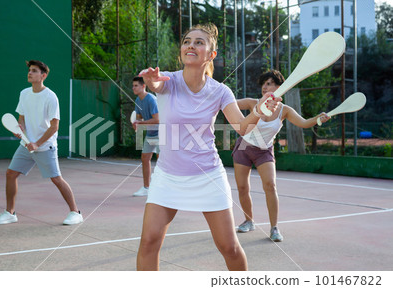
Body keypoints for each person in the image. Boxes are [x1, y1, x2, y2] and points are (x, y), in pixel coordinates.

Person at [136, 23, 282, 271]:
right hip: (167, 177)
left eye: (199, 42)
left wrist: (258, 111)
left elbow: (242, 128)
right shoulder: (168, 79)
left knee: (230, 247)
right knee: (148, 243)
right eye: (187, 41)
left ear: (211, 55)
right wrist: (150, 80)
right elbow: (156, 85)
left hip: (207, 176)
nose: (190, 44)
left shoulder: (220, 91)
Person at [232, 69, 330, 242]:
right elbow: (230, 103)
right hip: (244, 146)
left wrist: (318, 118)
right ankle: (249, 221)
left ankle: (274, 228)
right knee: (242, 188)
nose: (265, 86)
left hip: (264, 151)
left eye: (269, 83)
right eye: (263, 83)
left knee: (270, 186)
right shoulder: (252, 103)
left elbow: (305, 123)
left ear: (279, 87)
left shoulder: (285, 110)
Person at [0, 60, 83, 225]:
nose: (30, 73)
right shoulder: (24, 93)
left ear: (43, 75)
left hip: (45, 146)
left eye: (34, 71)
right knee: (11, 174)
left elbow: (55, 126)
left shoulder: (50, 97)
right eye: (29, 70)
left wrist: (37, 143)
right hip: (26, 145)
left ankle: (75, 212)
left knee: (56, 179)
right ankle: (10, 213)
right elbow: (22, 117)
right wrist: (19, 128)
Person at [131, 76, 160, 197]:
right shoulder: (138, 100)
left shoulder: (151, 100)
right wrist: (136, 123)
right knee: (145, 158)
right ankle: (146, 187)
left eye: (136, 85)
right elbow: (138, 118)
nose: (134, 88)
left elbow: (157, 119)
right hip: (151, 132)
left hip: (162, 132)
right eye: (133, 86)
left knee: (161, 160)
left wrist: (140, 123)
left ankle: (162, 187)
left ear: (143, 86)